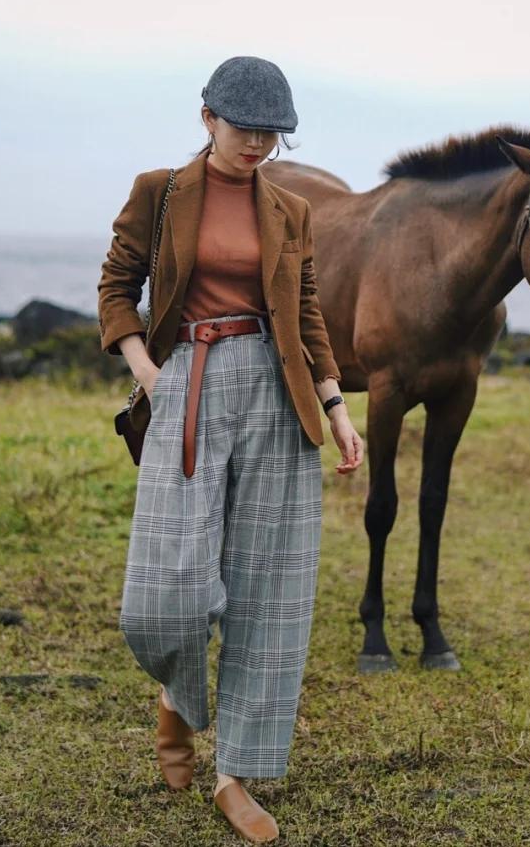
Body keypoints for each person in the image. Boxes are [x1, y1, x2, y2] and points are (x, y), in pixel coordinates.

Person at [97, 55, 365, 844]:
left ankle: (234, 775)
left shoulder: (289, 210)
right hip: (186, 381)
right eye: (244, 129)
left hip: (279, 394)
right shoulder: (158, 193)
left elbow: (305, 314)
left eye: (271, 134)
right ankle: (176, 700)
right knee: (164, 593)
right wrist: (149, 372)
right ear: (207, 117)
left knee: (269, 591)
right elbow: (116, 287)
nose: (257, 145)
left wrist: (336, 407)